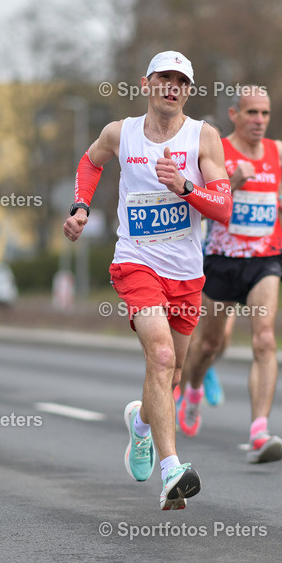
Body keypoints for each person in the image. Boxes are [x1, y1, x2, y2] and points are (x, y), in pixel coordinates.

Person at [64, 51, 232, 510]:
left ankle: (141, 425)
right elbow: (90, 162)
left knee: (173, 372)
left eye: (181, 81)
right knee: (159, 355)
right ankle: (172, 469)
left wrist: (185, 188)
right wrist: (81, 206)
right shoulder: (121, 133)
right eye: (164, 78)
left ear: (189, 90)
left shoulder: (205, 138)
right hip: (136, 262)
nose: (172, 87)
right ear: (147, 84)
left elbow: (223, 206)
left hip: (186, 272)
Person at [176, 89, 282, 463]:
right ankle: (194, 390)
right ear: (234, 114)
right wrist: (233, 183)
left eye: (265, 112)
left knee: (264, 339)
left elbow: (275, 189)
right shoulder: (216, 150)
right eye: (251, 113)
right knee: (208, 346)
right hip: (221, 258)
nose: (259, 120)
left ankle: (259, 432)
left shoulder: (276, 151)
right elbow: (199, 200)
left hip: (265, 256)